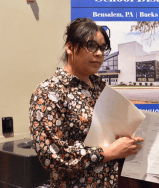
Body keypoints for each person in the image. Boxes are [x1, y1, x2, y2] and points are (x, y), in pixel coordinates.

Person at [29, 18, 144, 188]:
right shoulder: (49, 92)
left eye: (102, 48)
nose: (99, 53)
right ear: (70, 47)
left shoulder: (100, 87)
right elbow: (51, 156)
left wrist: (122, 139)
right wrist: (107, 153)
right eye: (91, 45)